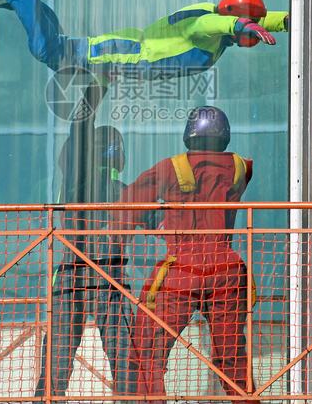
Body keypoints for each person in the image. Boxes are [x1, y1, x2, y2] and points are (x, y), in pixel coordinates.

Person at [111, 106, 260, 404]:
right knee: (231, 358)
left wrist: (149, 226)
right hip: (227, 271)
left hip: (182, 269)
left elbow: (126, 203)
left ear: (189, 134)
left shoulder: (171, 168)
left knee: (147, 350)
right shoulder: (242, 168)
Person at [0, 0, 288, 80]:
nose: (250, 38)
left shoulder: (216, 15)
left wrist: (286, 21)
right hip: (128, 52)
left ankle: (20, 2)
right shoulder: (208, 29)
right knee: (46, 50)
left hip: (127, 54)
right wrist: (240, 26)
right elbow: (215, 24)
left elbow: (249, 15)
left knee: (56, 47)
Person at [34, 77, 137, 399]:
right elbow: (166, 222)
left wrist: (98, 88)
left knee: (56, 367)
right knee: (125, 364)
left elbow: (79, 128)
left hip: (71, 278)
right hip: (111, 281)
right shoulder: (128, 194)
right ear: (119, 156)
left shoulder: (77, 182)